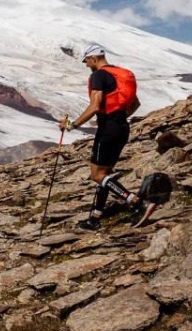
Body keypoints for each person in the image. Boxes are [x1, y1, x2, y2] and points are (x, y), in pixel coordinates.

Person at [59, 44, 142, 230]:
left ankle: (133, 201)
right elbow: (136, 103)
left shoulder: (98, 75)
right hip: (121, 126)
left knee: (97, 175)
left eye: (87, 61)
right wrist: (118, 118)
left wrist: (73, 125)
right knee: (106, 175)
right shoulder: (119, 74)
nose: (87, 65)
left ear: (94, 58)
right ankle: (95, 218)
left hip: (108, 128)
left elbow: (95, 106)